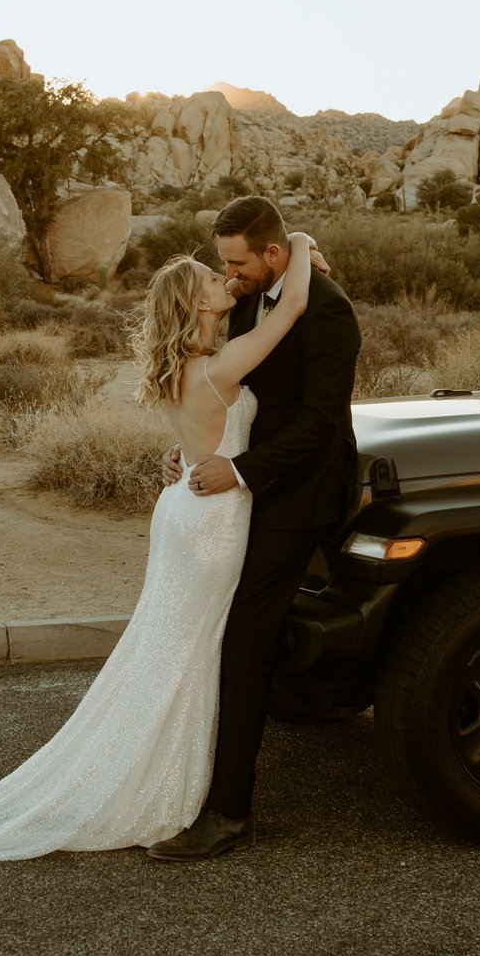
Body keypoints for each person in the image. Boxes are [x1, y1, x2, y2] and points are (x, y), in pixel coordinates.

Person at [0, 216, 322, 868]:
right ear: (196, 304)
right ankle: (159, 787)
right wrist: (298, 244)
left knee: (165, 648)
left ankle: (153, 773)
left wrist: (183, 456)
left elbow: (199, 438)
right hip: (212, 523)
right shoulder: (218, 369)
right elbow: (293, 303)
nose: (225, 281)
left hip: (184, 504)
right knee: (187, 652)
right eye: (215, 278)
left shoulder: (184, 368)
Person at [146, 194, 362, 861]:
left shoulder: (327, 311)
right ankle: (191, 771)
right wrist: (193, 445)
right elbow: (219, 385)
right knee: (217, 633)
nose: (230, 274)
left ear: (271, 254)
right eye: (222, 264)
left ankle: (229, 811)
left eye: (238, 261)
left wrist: (238, 468)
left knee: (243, 639)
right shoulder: (249, 295)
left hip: (296, 495)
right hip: (237, 494)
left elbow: (320, 422)